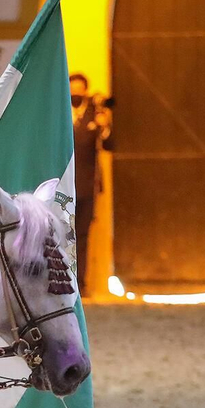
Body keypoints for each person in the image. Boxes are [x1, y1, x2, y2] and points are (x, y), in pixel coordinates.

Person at [70, 73, 112, 287]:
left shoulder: (95, 115)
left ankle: (81, 283)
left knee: (84, 235)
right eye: (72, 91)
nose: (76, 94)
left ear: (85, 91)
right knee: (65, 234)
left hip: (88, 185)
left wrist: (104, 126)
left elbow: (108, 145)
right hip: (65, 186)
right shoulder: (58, 113)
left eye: (79, 90)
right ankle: (64, 282)